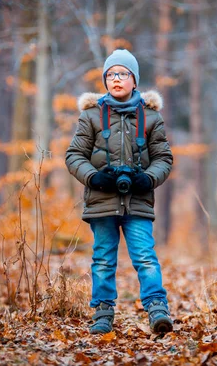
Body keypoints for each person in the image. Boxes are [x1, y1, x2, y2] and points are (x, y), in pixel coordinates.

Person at [65, 49, 174, 334]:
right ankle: (102, 314)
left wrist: (147, 180)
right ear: (104, 80)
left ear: (134, 80)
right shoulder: (91, 115)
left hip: (137, 202)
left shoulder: (151, 118)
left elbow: (164, 158)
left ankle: (157, 310)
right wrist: (94, 178)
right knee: (102, 259)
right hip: (101, 201)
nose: (116, 79)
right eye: (111, 74)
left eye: (123, 74)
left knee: (145, 257)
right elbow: (74, 155)